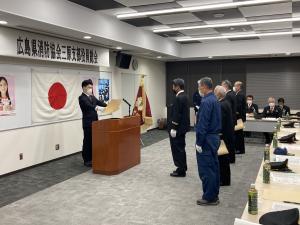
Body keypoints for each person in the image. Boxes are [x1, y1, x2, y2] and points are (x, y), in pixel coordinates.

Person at [195, 77, 221, 206]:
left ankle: (209, 197)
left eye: (199, 86)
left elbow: (203, 124)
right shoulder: (214, 99)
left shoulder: (206, 101)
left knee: (206, 169)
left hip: (207, 139)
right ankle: (214, 194)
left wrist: (199, 142)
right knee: (214, 167)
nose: (199, 89)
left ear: (204, 86)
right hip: (214, 138)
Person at [79, 79, 107, 167]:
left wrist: (108, 105)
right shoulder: (82, 98)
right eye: (89, 87)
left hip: (95, 123)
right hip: (87, 123)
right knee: (87, 141)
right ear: (84, 87)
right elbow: (89, 106)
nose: (91, 89)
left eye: (91, 87)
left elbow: (99, 102)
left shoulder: (92, 96)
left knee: (93, 141)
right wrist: (98, 108)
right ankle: (86, 160)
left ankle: (92, 158)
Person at [169, 78, 190, 177]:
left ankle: (181, 170)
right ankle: (182, 167)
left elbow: (177, 114)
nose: (172, 88)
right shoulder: (184, 96)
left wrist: (173, 127)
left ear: (177, 86)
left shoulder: (179, 98)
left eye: (173, 86)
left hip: (177, 129)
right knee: (181, 148)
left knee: (177, 149)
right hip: (182, 128)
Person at [214, 85, 233, 186]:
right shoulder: (225, 102)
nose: (214, 94)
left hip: (223, 136)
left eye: (215, 92)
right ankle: (225, 179)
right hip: (227, 134)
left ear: (218, 94)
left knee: (222, 159)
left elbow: (220, 122)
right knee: (224, 159)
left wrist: (219, 136)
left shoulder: (221, 105)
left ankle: (223, 180)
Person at [221, 80, 236, 163]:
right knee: (230, 140)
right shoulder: (232, 94)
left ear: (225, 86)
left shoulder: (228, 95)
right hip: (232, 120)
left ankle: (230, 158)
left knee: (228, 141)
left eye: (222, 85)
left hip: (229, 121)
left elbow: (227, 109)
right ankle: (231, 157)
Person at [233, 81, 246, 154]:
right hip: (240, 117)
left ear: (239, 86)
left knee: (238, 134)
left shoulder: (239, 95)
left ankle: (239, 149)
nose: (234, 87)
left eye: (235, 86)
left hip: (239, 117)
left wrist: (234, 112)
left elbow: (238, 106)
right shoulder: (238, 94)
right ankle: (239, 149)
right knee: (238, 133)